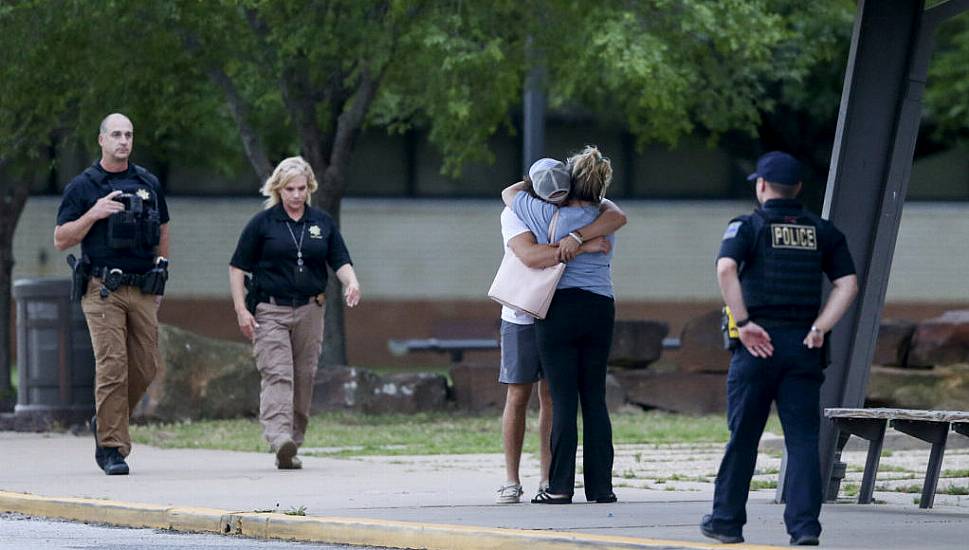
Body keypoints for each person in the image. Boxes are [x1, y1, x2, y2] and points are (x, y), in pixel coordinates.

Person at [701, 151, 858, 546]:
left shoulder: (748, 226)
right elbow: (848, 284)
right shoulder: (822, 231)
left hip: (757, 345)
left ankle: (726, 522)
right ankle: (804, 529)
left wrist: (746, 323)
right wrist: (821, 327)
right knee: (803, 440)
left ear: (762, 186)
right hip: (804, 344)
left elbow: (725, 269)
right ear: (799, 189)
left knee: (744, 437)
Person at [495, 158, 623, 504]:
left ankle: (557, 485)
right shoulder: (600, 214)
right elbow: (619, 215)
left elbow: (508, 192)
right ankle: (601, 488)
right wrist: (583, 242)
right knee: (593, 399)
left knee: (561, 399)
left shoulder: (539, 211)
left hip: (558, 308)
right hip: (592, 307)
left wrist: (573, 239)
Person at [54, 113, 171, 475]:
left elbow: (164, 228)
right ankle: (111, 447)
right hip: (102, 288)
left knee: (146, 366)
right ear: (101, 140)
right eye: (116, 134)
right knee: (113, 367)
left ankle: (105, 420)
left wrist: (162, 272)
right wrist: (95, 213)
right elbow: (61, 239)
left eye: (129, 135)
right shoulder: (84, 186)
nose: (123, 140)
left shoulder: (146, 183)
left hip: (143, 287)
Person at [229, 156, 360, 470]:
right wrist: (241, 310)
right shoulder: (262, 224)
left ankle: (292, 445)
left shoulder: (322, 223)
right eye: (290, 189)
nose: (297, 195)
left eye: (302, 188)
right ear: (278, 189)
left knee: (304, 377)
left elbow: (339, 259)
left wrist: (351, 282)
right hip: (270, 309)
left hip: (310, 310)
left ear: (310, 188)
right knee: (278, 373)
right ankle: (278, 437)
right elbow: (237, 268)